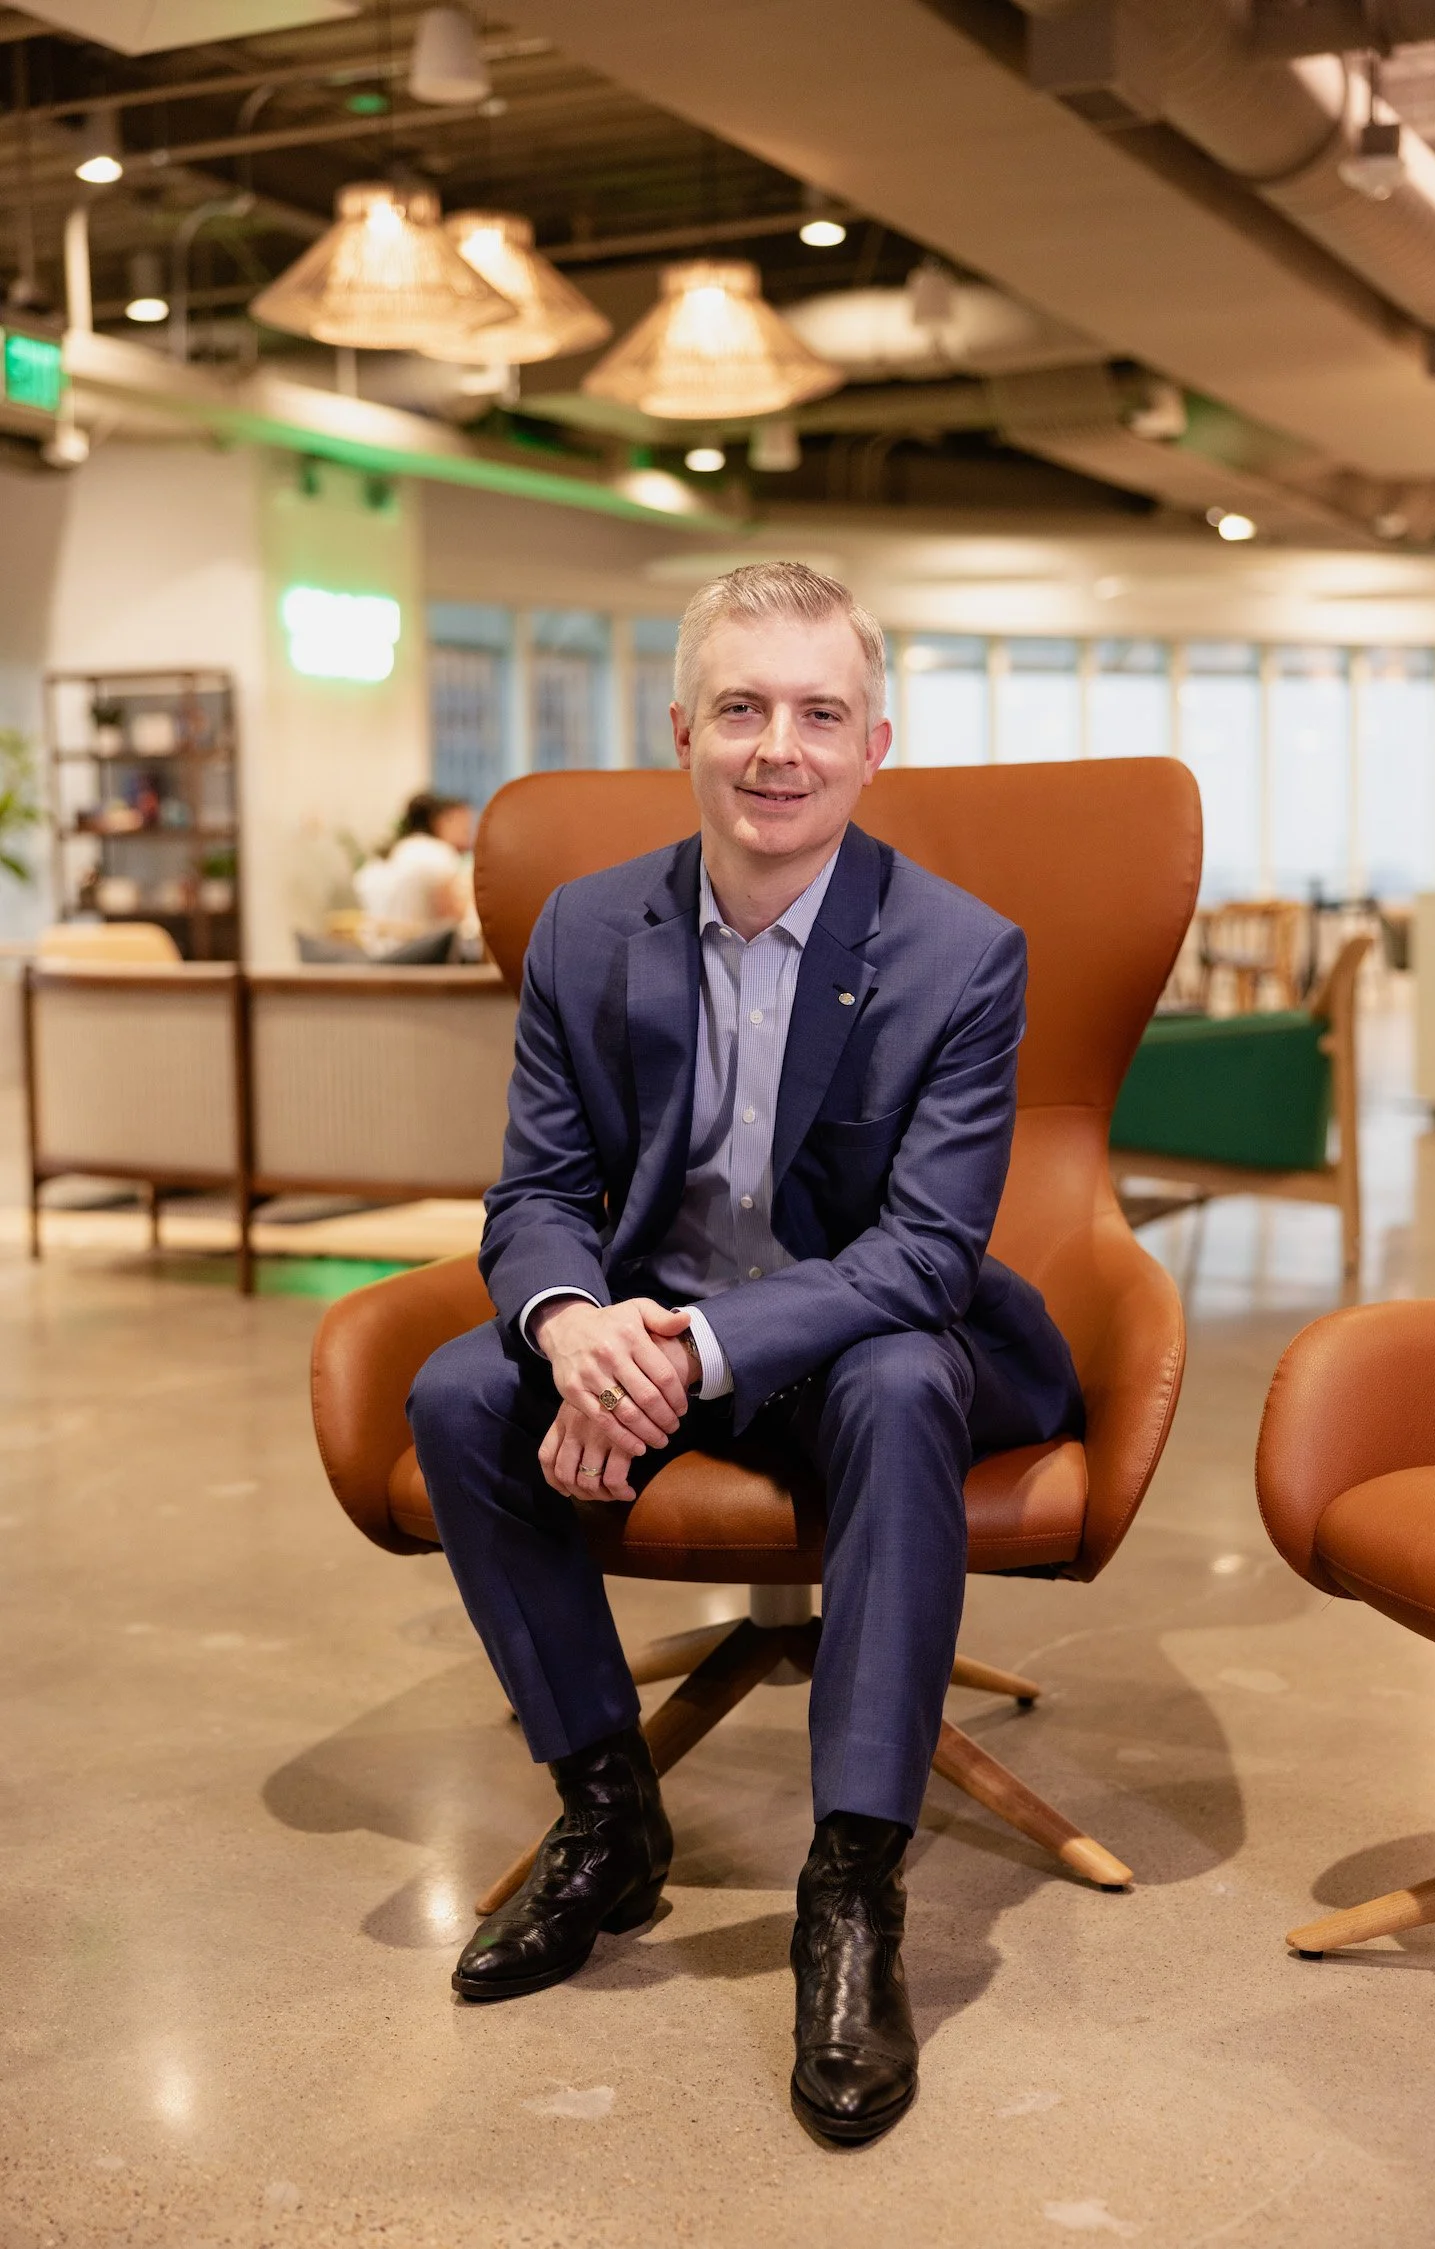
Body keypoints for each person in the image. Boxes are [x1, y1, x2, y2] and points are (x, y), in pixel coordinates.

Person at [407, 562, 1083, 2147]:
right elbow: (538, 1193)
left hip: (859, 1338)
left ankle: (851, 1884)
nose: (780, 746)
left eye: (820, 713)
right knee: (458, 1391)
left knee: (903, 1379)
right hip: (651, 1321)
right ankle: (607, 1818)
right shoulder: (587, 928)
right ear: (684, 733)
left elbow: (923, 1254)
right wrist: (574, 1328)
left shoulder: (961, 952)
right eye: (743, 708)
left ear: (873, 747)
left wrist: (690, 1348)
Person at [354, 791, 474, 932]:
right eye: (464, 828)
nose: (468, 835)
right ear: (440, 821)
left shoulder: (399, 850)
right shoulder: (438, 853)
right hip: (421, 941)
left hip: (384, 940)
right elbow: (453, 915)